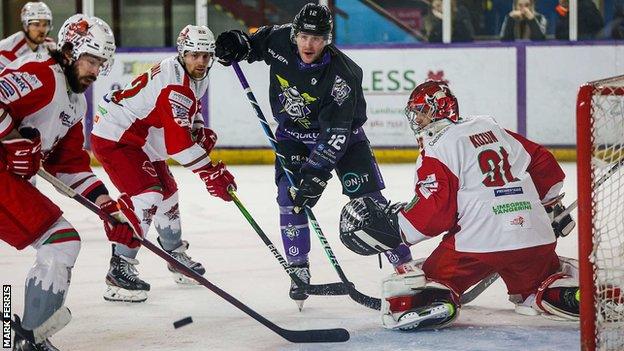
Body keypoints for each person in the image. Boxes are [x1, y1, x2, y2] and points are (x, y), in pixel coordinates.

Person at [214, 3, 414, 309]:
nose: (310, 44)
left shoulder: (343, 75)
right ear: (295, 34)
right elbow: (253, 44)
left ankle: (405, 267)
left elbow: (335, 135)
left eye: (318, 38)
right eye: (305, 36)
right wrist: (236, 44)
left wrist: (315, 176)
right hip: (293, 136)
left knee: (370, 201)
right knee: (290, 197)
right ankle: (299, 267)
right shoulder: (280, 40)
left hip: (345, 139)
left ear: (328, 39)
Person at [338, 81, 579, 331]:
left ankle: (437, 299)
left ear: (441, 109)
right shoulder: (490, 127)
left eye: (423, 111)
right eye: (415, 112)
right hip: (534, 237)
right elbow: (546, 166)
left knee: (431, 280)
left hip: (478, 243)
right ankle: (557, 294)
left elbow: (435, 215)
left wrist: (397, 231)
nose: (417, 118)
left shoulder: (437, 147)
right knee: (538, 281)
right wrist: (544, 205)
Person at [0, 14, 141, 350]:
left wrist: (110, 210)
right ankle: (30, 341)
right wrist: (9, 136)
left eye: (100, 64)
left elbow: (69, 165)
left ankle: (28, 339)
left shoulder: (75, 102)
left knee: (60, 242)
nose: (95, 72)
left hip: (10, 183)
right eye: (91, 61)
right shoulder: (41, 74)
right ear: (68, 50)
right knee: (60, 241)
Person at [90, 25, 236, 303]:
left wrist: (199, 129)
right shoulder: (175, 83)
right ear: (183, 53)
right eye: (195, 55)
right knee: (147, 194)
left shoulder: (193, 75)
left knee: (168, 194)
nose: (201, 62)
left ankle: (174, 255)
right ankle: (119, 268)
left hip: (141, 139)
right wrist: (210, 172)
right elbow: (178, 146)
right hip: (117, 137)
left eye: (206, 55)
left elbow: (192, 110)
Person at [0, 2, 56, 71]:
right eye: (36, 24)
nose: (42, 30)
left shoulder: (50, 46)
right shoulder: (7, 50)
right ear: (25, 26)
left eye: (45, 25)